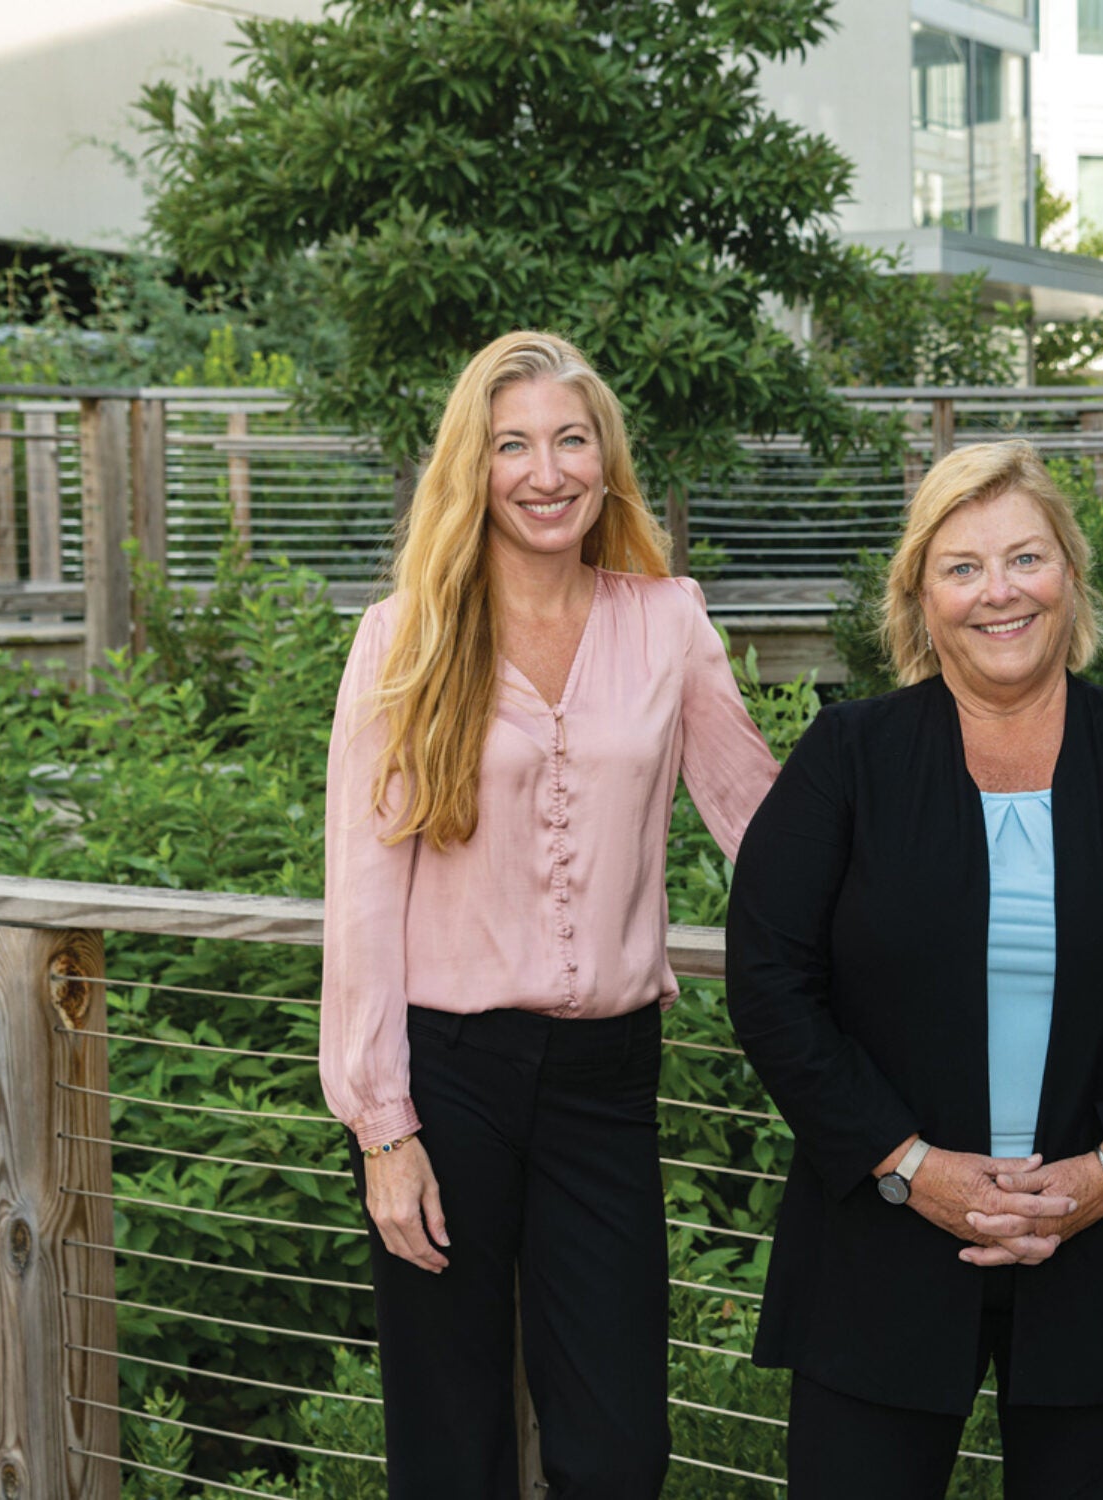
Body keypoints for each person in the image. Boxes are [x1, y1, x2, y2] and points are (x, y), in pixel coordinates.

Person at [725, 440, 1103, 1498]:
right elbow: (769, 978)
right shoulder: (847, 757)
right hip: (881, 1241)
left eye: (1024, 558)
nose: (998, 594)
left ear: (1069, 573)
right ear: (920, 597)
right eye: (961, 566)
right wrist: (905, 1164)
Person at [320, 330, 778, 1497]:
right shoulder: (404, 639)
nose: (545, 470)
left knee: (617, 1446)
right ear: (471, 468)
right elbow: (363, 901)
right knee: (448, 1439)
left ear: (605, 460)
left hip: (605, 1083)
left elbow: (760, 826)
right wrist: (383, 1126)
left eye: (570, 440)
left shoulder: (666, 621)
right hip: (449, 1076)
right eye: (512, 444)